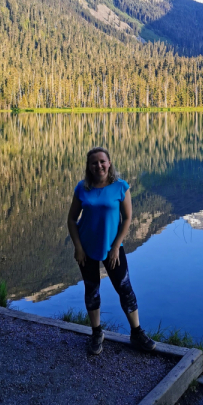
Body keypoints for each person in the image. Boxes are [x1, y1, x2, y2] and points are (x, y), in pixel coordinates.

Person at [67, 146, 156, 355]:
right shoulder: (82, 188)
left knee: (125, 288)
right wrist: (78, 247)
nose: (99, 165)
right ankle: (97, 332)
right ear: (89, 167)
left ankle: (137, 333)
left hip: (112, 247)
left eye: (102, 161)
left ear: (109, 164)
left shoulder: (120, 187)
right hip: (86, 249)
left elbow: (127, 219)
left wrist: (116, 246)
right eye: (94, 162)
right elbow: (72, 220)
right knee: (92, 290)